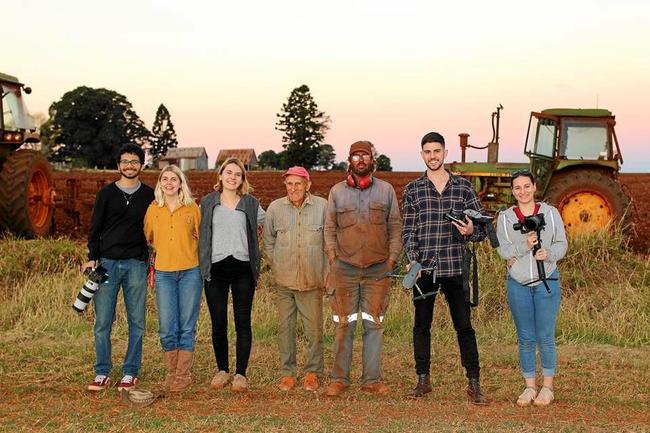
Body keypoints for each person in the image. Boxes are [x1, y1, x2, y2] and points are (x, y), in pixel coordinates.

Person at [401, 132, 488, 404]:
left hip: (454, 267)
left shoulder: (463, 188)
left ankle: (474, 382)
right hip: (424, 269)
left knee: (464, 326)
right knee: (421, 326)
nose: (433, 156)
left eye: (437, 151)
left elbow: (482, 226)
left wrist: (472, 230)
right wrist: (414, 260)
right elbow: (408, 231)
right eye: (427, 152)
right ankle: (422, 380)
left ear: (445, 153)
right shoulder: (413, 190)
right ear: (422, 155)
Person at [323, 140, 402, 397]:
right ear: (350, 160)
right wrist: (334, 260)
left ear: (372, 160)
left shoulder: (386, 191)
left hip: (377, 270)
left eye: (364, 155)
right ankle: (339, 379)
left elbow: (395, 227)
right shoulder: (336, 192)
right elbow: (329, 229)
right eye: (355, 156)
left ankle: (372, 380)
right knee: (344, 324)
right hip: (344, 269)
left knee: (374, 324)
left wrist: (391, 260)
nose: (360, 160)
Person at [83, 143, 155, 392]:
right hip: (107, 265)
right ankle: (102, 371)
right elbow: (95, 229)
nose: (129, 166)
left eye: (134, 161)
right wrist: (92, 257)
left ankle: (130, 372)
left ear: (142, 165)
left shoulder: (150, 195)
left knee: (137, 321)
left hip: (136, 264)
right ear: (118, 165)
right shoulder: (106, 194)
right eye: (125, 161)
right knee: (103, 321)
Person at [496, 170, 567, 406]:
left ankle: (547, 387)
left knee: (545, 336)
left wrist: (550, 254)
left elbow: (562, 244)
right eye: (517, 188)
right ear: (513, 191)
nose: (523, 191)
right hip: (518, 284)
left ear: (534, 187)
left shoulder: (550, 213)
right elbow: (503, 250)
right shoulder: (506, 218)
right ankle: (529, 387)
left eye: (527, 186)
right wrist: (524, 246)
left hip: (547, 282)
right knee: (525, 337)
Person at [199, 157, 265, 392]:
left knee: (242, 323)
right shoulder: (207, 203)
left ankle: (240, 374)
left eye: (237, 174)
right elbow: (197, 229)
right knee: (218, 322)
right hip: (215, 268)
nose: (232, 177)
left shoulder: (251, 203)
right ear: (220, 176)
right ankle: (222, 370)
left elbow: (270, 222)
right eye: (228, 172)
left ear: (242, 179)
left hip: (242, 268)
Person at [263, 166, 328, 392]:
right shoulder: (275, 208)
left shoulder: (322, 207)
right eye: (289, 184)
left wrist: (327, 274)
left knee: (314, 331)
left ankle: (313, 373)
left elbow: (330, 242)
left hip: (312, 282)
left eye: (298, 184)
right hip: (285, 282)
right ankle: (287, 373)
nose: (293, 189)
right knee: (285, 329)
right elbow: (269, 241)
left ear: (308, 185)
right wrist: (275, 265)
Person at [144, 165, 202, 392]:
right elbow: (148, 237)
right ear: (160, 184)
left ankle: (183, 375)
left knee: (187, 325)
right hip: (164, 273)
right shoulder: (153, 210)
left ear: (180, 183)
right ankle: (171, 372)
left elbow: (201, 236)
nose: (169, 183)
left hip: (190, 271)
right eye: (164, 179)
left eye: (173, 179)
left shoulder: (191, 209)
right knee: (168, 326)